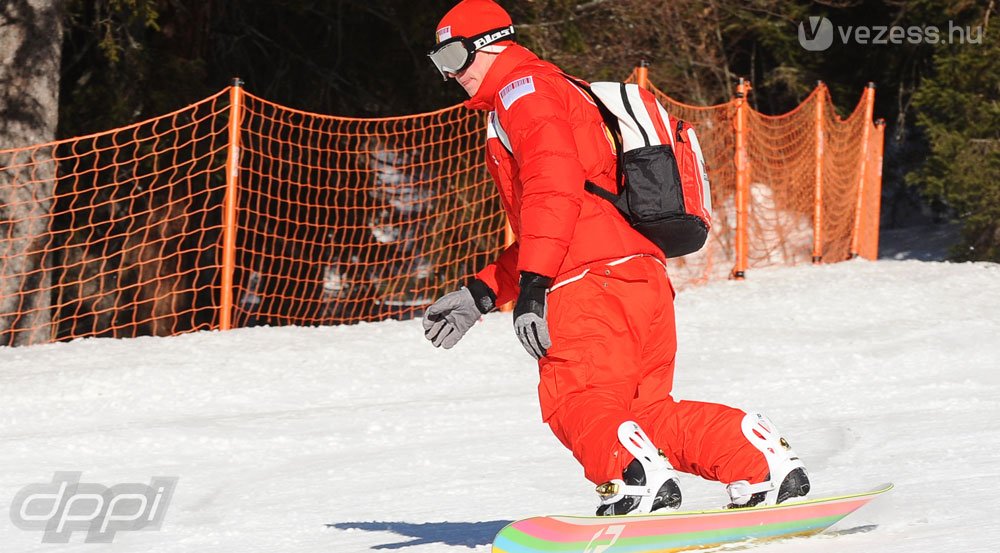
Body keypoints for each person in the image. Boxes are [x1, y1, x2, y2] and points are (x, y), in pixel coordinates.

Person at [421, 0, 810, 515]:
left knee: (575, 398)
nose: (451, 74)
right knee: (642, 413)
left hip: (589, 285)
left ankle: (634, 483)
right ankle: (758, 464)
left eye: (453, 55)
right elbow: (569, 213)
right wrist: (482, 291)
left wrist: (534, 286)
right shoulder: (553, 90)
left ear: (493, 42)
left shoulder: (524, 92)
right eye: (438, 62)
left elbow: (551, 193)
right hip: (637, 275)